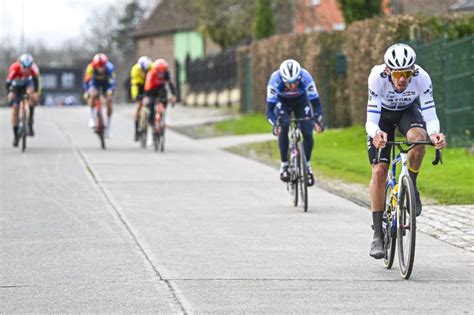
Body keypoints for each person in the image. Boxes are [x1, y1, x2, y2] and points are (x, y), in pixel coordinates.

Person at [366, 43, 446, 259]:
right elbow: (371, 119)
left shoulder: (422, 77)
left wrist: (435, 134)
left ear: (413, 70)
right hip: (382, 116)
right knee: (380, 171)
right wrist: (376, 133)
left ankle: (411, 182)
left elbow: (430, 114)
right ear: (388, 71)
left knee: (419, 139)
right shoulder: (376, 77)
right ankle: (377, 234)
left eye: (407, 73)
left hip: (407, 112)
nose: (402, 79)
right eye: (398, 74)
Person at [265, 59, 324, 186]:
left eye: (296, 82)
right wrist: (275, 124)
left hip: (301, 101)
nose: (293, 86)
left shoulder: (306, 77)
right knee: (283, 126)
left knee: (308, 132)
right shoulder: (275, 81)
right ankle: (284, 166)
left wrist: (318, 121)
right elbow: (269, 111)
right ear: (283, 79)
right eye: (289, 83)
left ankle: (307, 167)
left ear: (300, 77)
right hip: (283, 102)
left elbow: (317, 105)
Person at [5, 53, 41, 146]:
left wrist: (36, 94)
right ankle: (16, 136)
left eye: (28, 67)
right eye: (24, 67)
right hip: (16, 86)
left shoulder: (33, 69)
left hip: (27, 84)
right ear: (20, 64)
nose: (26, 69)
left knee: (31, 95)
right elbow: (8, 83)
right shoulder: (14, 68)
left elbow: (36, 83)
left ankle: (30, 123)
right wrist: (9, 93)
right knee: (15, 110)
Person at [83, 53, 116, 138]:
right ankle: (91, 118)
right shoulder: (90, 67)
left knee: (109, 100)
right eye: (98, 67)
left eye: (102, 67)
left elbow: (112, 82)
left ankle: (109, 128)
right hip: (95, 83)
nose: (100, 69)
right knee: (92, 94)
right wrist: (87, 92)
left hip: (106, 84)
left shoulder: (110, 68)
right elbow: (87, 81)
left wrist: (110, 91)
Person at [144, 58, 177, 126]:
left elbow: (170, 84)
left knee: (164, 99)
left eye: (163, 71)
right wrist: (147, 97)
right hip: (152, 89)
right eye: (159, 71)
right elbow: (147, 87)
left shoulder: (166, 73)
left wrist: (173, 95)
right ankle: (151, 120)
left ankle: (162, 115)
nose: (161, 73)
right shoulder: (151, 74)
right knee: (151, 104)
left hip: (161, 89)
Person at [130, 56, 153, 141]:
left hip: (149, 84)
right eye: (143, 71)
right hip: (139, 85)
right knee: (139, 105)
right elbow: (134, 85)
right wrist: (135, 96)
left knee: (151, 103)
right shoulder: (135, 70)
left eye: (146, 71)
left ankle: (151, 121)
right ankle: (136, 130)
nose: (144, 72)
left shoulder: (152, 68)